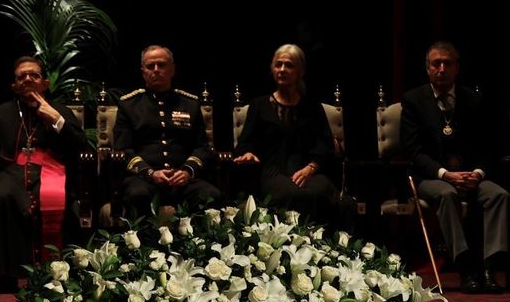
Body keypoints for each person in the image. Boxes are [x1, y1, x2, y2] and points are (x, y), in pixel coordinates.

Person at [0, 56, 84, 293]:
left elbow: (81, 144)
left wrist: (55, 119)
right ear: (14, 86)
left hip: (52, 172)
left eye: (34, 75)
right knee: (0, 198)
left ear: (46, 83)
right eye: (22, 76)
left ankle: (58, 275)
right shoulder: (1, 113)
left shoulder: (60, 110)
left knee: (55, 199)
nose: (28, 79)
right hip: (12, 172)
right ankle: (5, 275)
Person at [400, 42, 509, 293]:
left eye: (447, 63)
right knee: (447, 194)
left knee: (499, 196)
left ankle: (489, 268)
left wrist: (478, 173)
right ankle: (465, 267)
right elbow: (413, 151)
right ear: (427, 69)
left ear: (457, 68)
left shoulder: (474, 100)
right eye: (435, 63)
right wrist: (445, 174)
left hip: (471, 176)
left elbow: (489, 148)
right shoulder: (414, 100)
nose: (441, 68)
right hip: (432, 178)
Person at [233, 44, 345, 223]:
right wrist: (247, 154)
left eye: (289, 65)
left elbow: (325, 146)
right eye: (278, 65)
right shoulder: (259, 105)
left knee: (320, 192)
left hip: (309, 170)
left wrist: (310, 169)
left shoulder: (312, 107)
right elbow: (245, 143)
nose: (282, 69)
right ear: (272, 69)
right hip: (273, 171)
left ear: (300, 70)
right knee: (292, 194)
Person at [113, 45, 219, 217]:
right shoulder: (129, 105)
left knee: (211, 196)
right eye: (150, 66)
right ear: (143, 71)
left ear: (172, 70)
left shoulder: (190, 104)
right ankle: (143, 244)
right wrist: (150, 173)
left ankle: (198, 244)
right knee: (138, 195)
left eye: (161, 65)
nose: (156, 70)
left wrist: (187, 171)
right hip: (144, 179)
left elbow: (202, 148)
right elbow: (123, 149)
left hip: (183, 178)